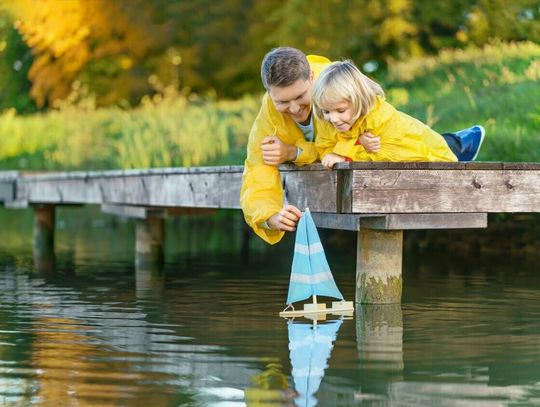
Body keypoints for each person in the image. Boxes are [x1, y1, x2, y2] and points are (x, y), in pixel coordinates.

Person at [312, 59, 485, 168]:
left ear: (359, 100)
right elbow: (324, 145)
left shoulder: (379, 118)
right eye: (326, 111)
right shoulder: (328, 120)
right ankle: (463, 142)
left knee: (441, 158)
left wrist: (347, 150)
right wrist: (340, 150)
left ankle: (464, 144)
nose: (333, 118)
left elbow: (384, 157)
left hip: (426, 153)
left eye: (340, 110)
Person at [240, 47, 333, 244]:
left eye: (300, 96)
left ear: (312, 77)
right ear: (269, 94)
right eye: (282, 102)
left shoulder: (338, 85)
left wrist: (294, 152)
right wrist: (271, 217)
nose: (294, 108)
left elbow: (347, 146)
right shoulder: (268, 113)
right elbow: (257, 172)